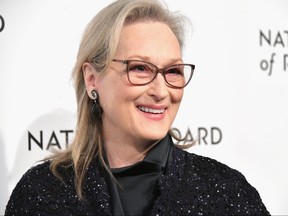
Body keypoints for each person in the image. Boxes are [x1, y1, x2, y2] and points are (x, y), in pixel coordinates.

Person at [5, 0, 270, 215]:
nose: (160, 91)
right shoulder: (41, 192)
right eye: (140, 68)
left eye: (173, 71)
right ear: (92, 79)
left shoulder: (225, 191)